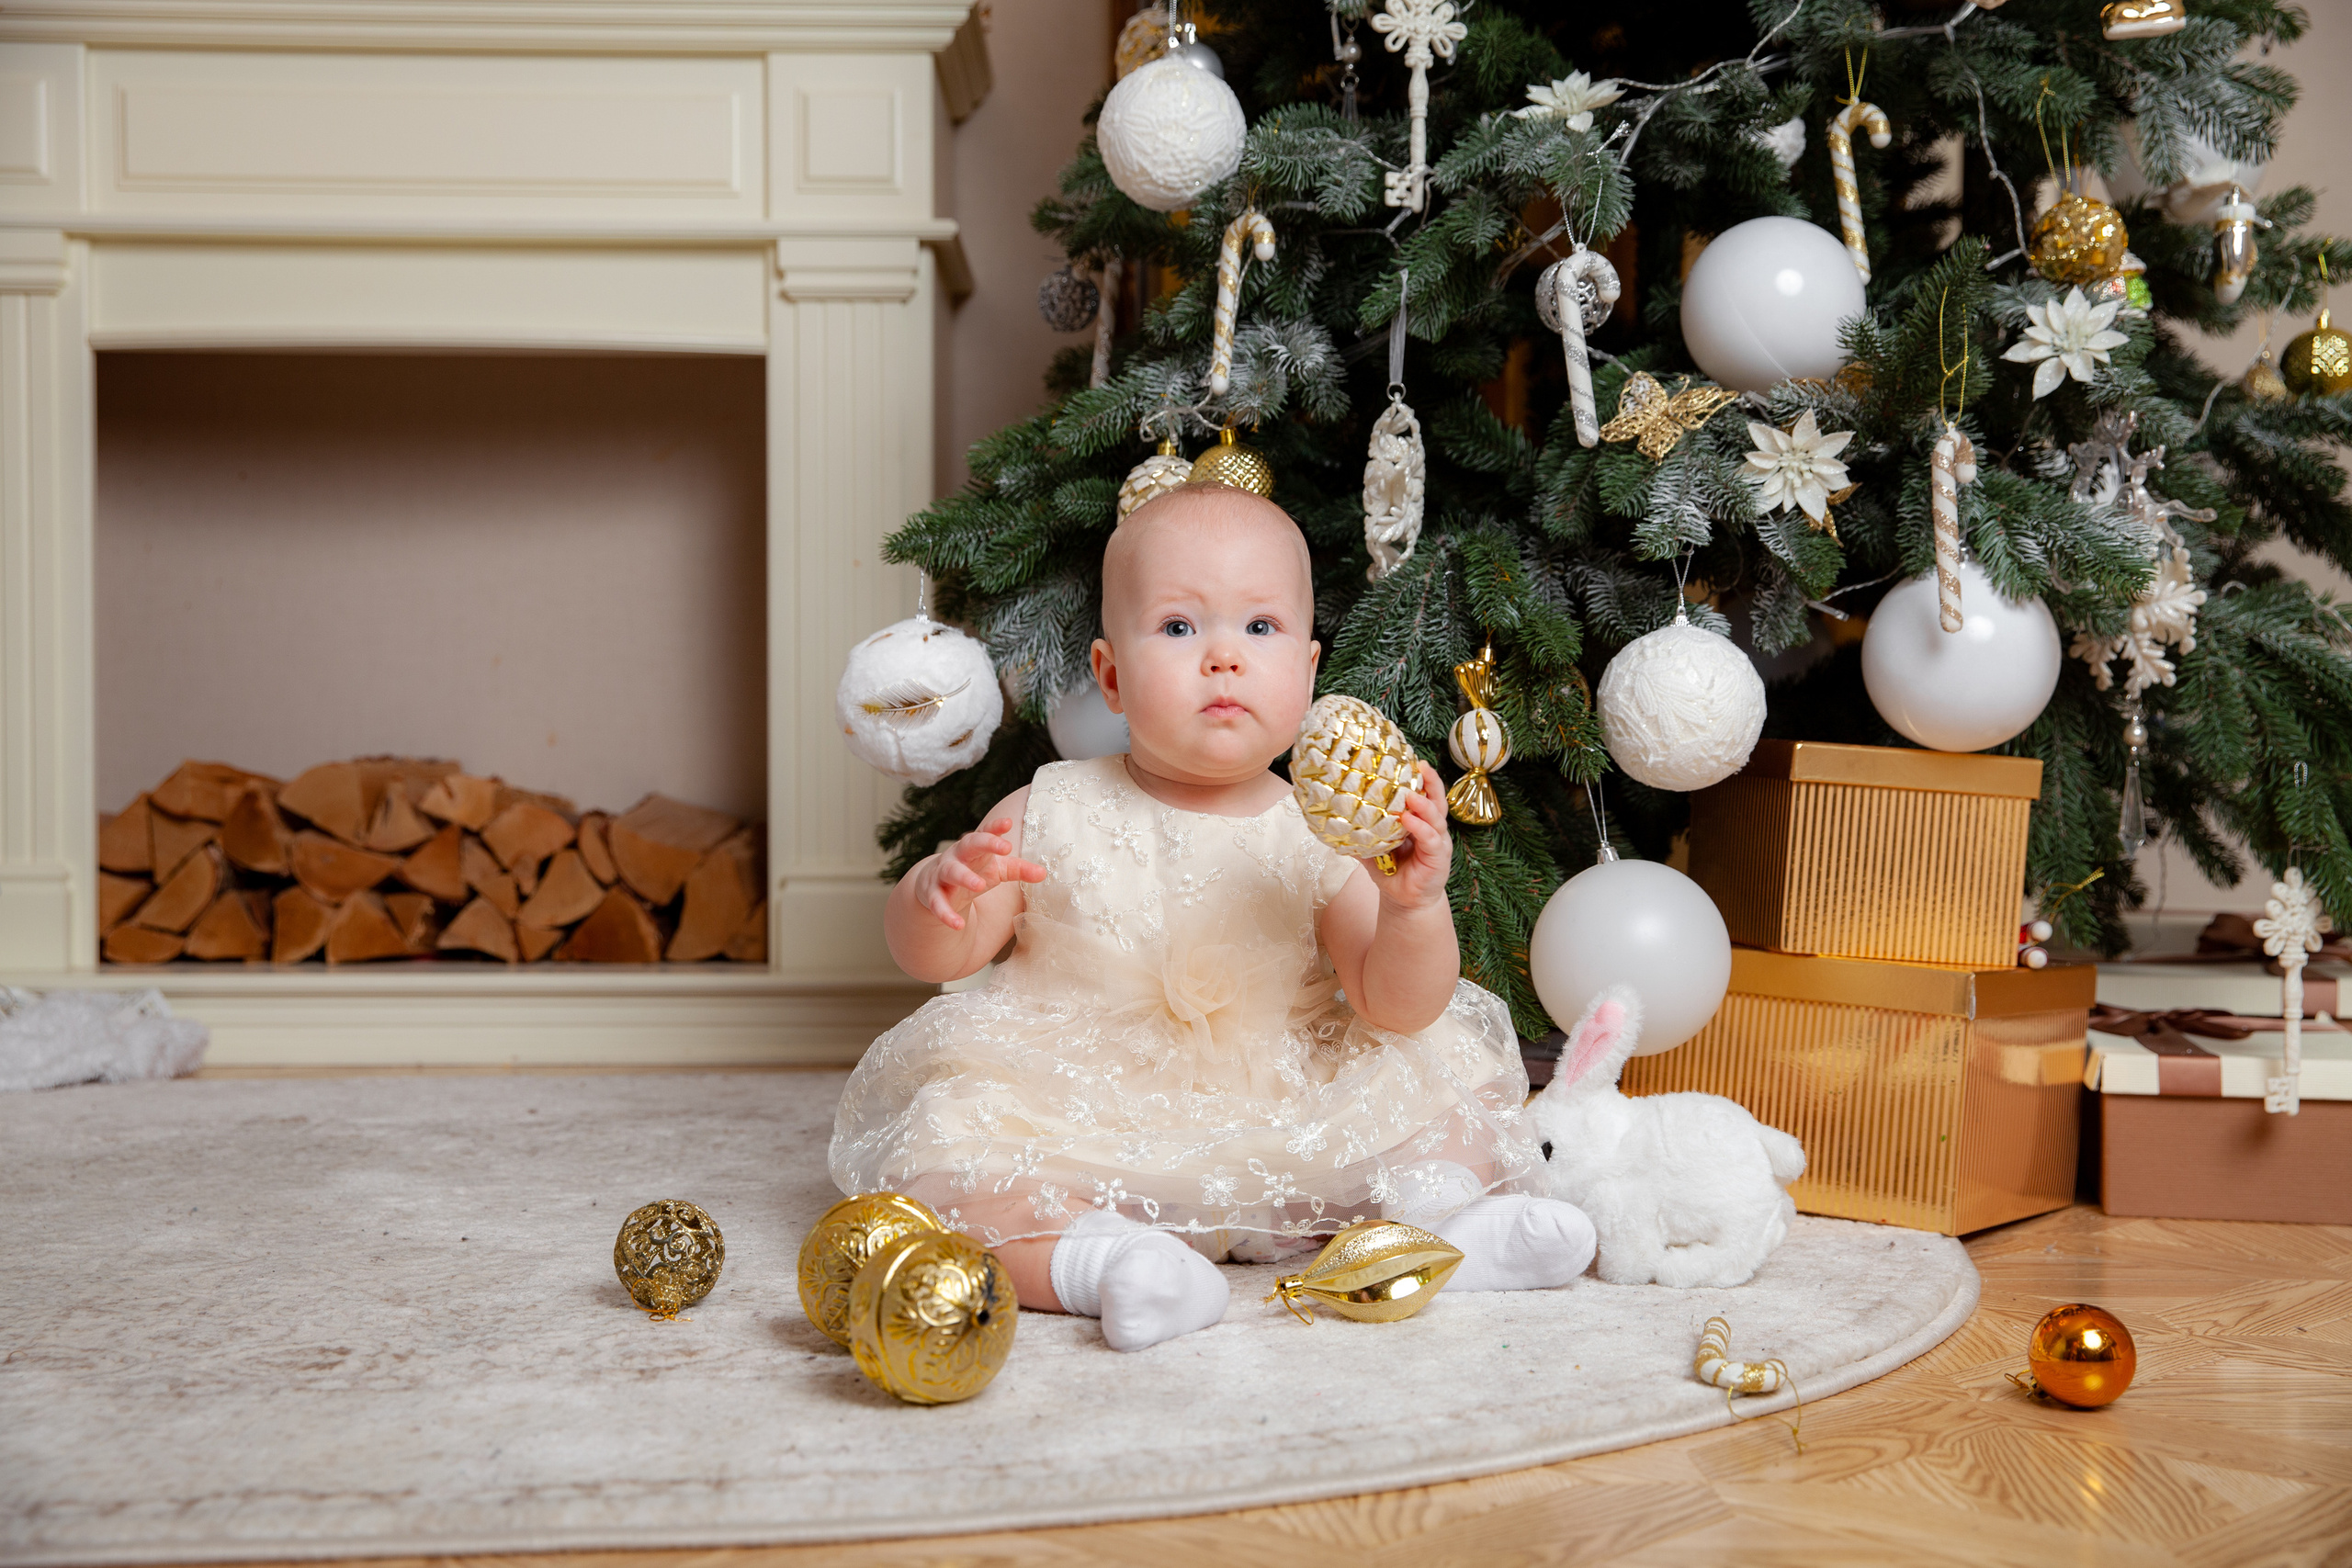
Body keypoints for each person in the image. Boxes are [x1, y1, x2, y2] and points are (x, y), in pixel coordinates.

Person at [831, 481, 1595, 1349]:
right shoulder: (1051, 805)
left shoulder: (1322, 834)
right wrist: (937, 894)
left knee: (1438, 1084)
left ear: (1308, 671)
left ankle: (1446, 1229)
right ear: (1111, 677)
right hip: (1088, 1115)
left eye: (1260, 627)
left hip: (1284, 1122)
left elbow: (1396, 1004)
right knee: (957, 1160)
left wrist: (1411, 905)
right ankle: (1107, 1262)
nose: (1223, 657)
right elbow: (941, 952)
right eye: (1178, 626)